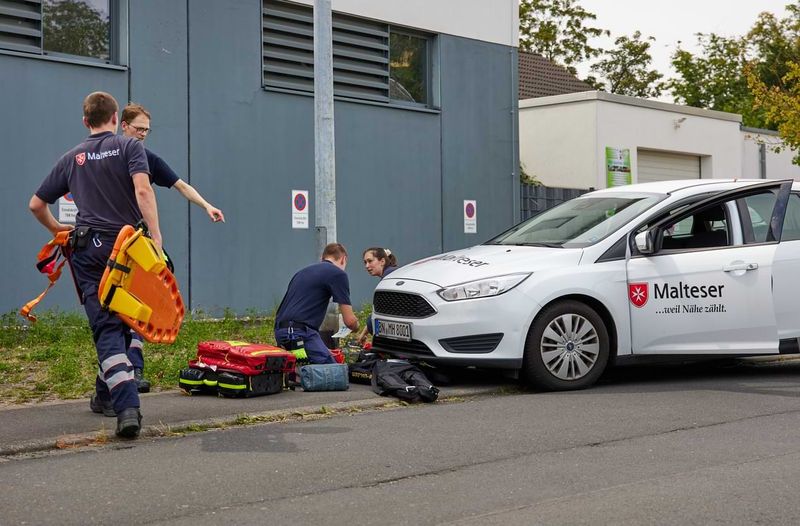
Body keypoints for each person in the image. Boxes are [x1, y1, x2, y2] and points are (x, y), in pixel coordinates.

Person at [29, 91, 161, 438]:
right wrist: (157, 242)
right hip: (128, 248)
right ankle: (116, 400)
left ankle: (122, 404)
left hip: (88, 250)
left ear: (86, 121)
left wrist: (58, 229)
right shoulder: (130, 148)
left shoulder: (71, 158)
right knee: (127, 317)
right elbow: (144, 192)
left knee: (106, 326)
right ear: (116, 118)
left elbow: (36, 204)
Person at [120, 103, 225, 393]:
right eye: (138, 128)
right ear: (123, 125)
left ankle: (134, 368)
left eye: (147, 131)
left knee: (139, 304)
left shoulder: (146, 157)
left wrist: (206, 205)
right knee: (113, 310)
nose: (142, 135)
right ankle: (115, 375)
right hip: (109, 241)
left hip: (135, 243)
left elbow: (181, 185)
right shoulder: (109, 156)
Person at [274, 243, 360, 364]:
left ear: (322, 258)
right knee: (332, 374)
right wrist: (357, 327)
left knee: (299, 375)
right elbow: (350, 321)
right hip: (299, 333)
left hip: (282, 331)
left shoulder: (302, 272)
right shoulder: (338, 274)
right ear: (343, 259)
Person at [356, 247, 398, 345]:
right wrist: (363, 333)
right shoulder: (391, 273)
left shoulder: (389, 277)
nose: (367, 266)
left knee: (372, 323)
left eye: (370, 261)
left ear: (382, 261)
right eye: (365, 262)